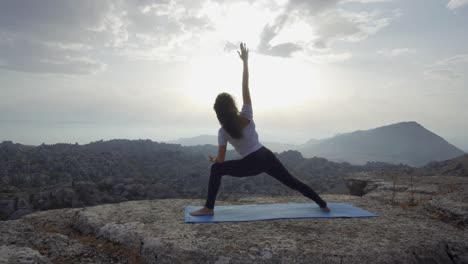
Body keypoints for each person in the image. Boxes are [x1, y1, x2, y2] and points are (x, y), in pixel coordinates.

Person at [190, 43, 330, 216]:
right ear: (232, 107)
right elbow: (245, 86)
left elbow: (221, 161)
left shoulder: (223, 132)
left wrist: (214, 159)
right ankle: (322, 204)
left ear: (218, 114)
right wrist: (245, 62)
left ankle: (208, 208)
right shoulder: (246, 114)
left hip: (250, 163)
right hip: (266, 155)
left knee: (216, 170)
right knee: (292, 182)